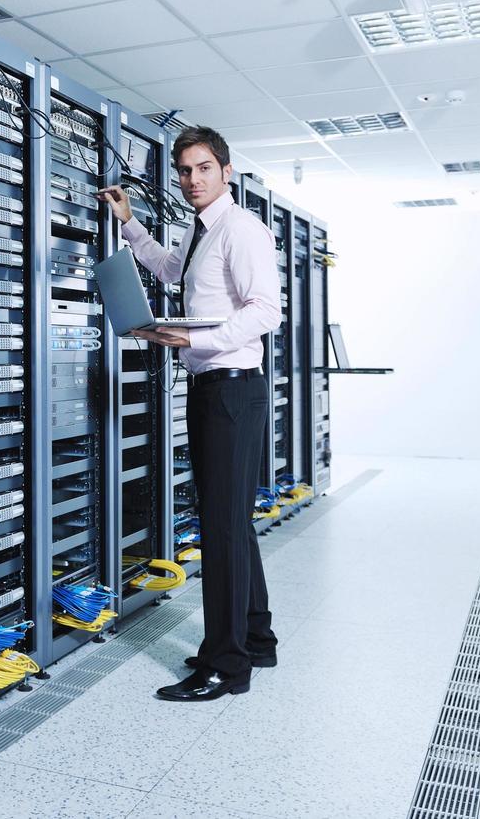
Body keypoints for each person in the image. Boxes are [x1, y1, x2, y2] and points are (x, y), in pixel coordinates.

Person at [98, 125, 282, 702]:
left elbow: (266, 310)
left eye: (203, 168)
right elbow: (173, 270)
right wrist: (129, 224)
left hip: (229, 387)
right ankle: (256, 638)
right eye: (184, 170)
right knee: (231, 524)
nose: (192, 179)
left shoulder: (242, 228)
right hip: (215, 387)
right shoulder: (203, 232)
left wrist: (190, 342)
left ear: (226, 172)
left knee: (221, 530)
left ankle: (226, 667)